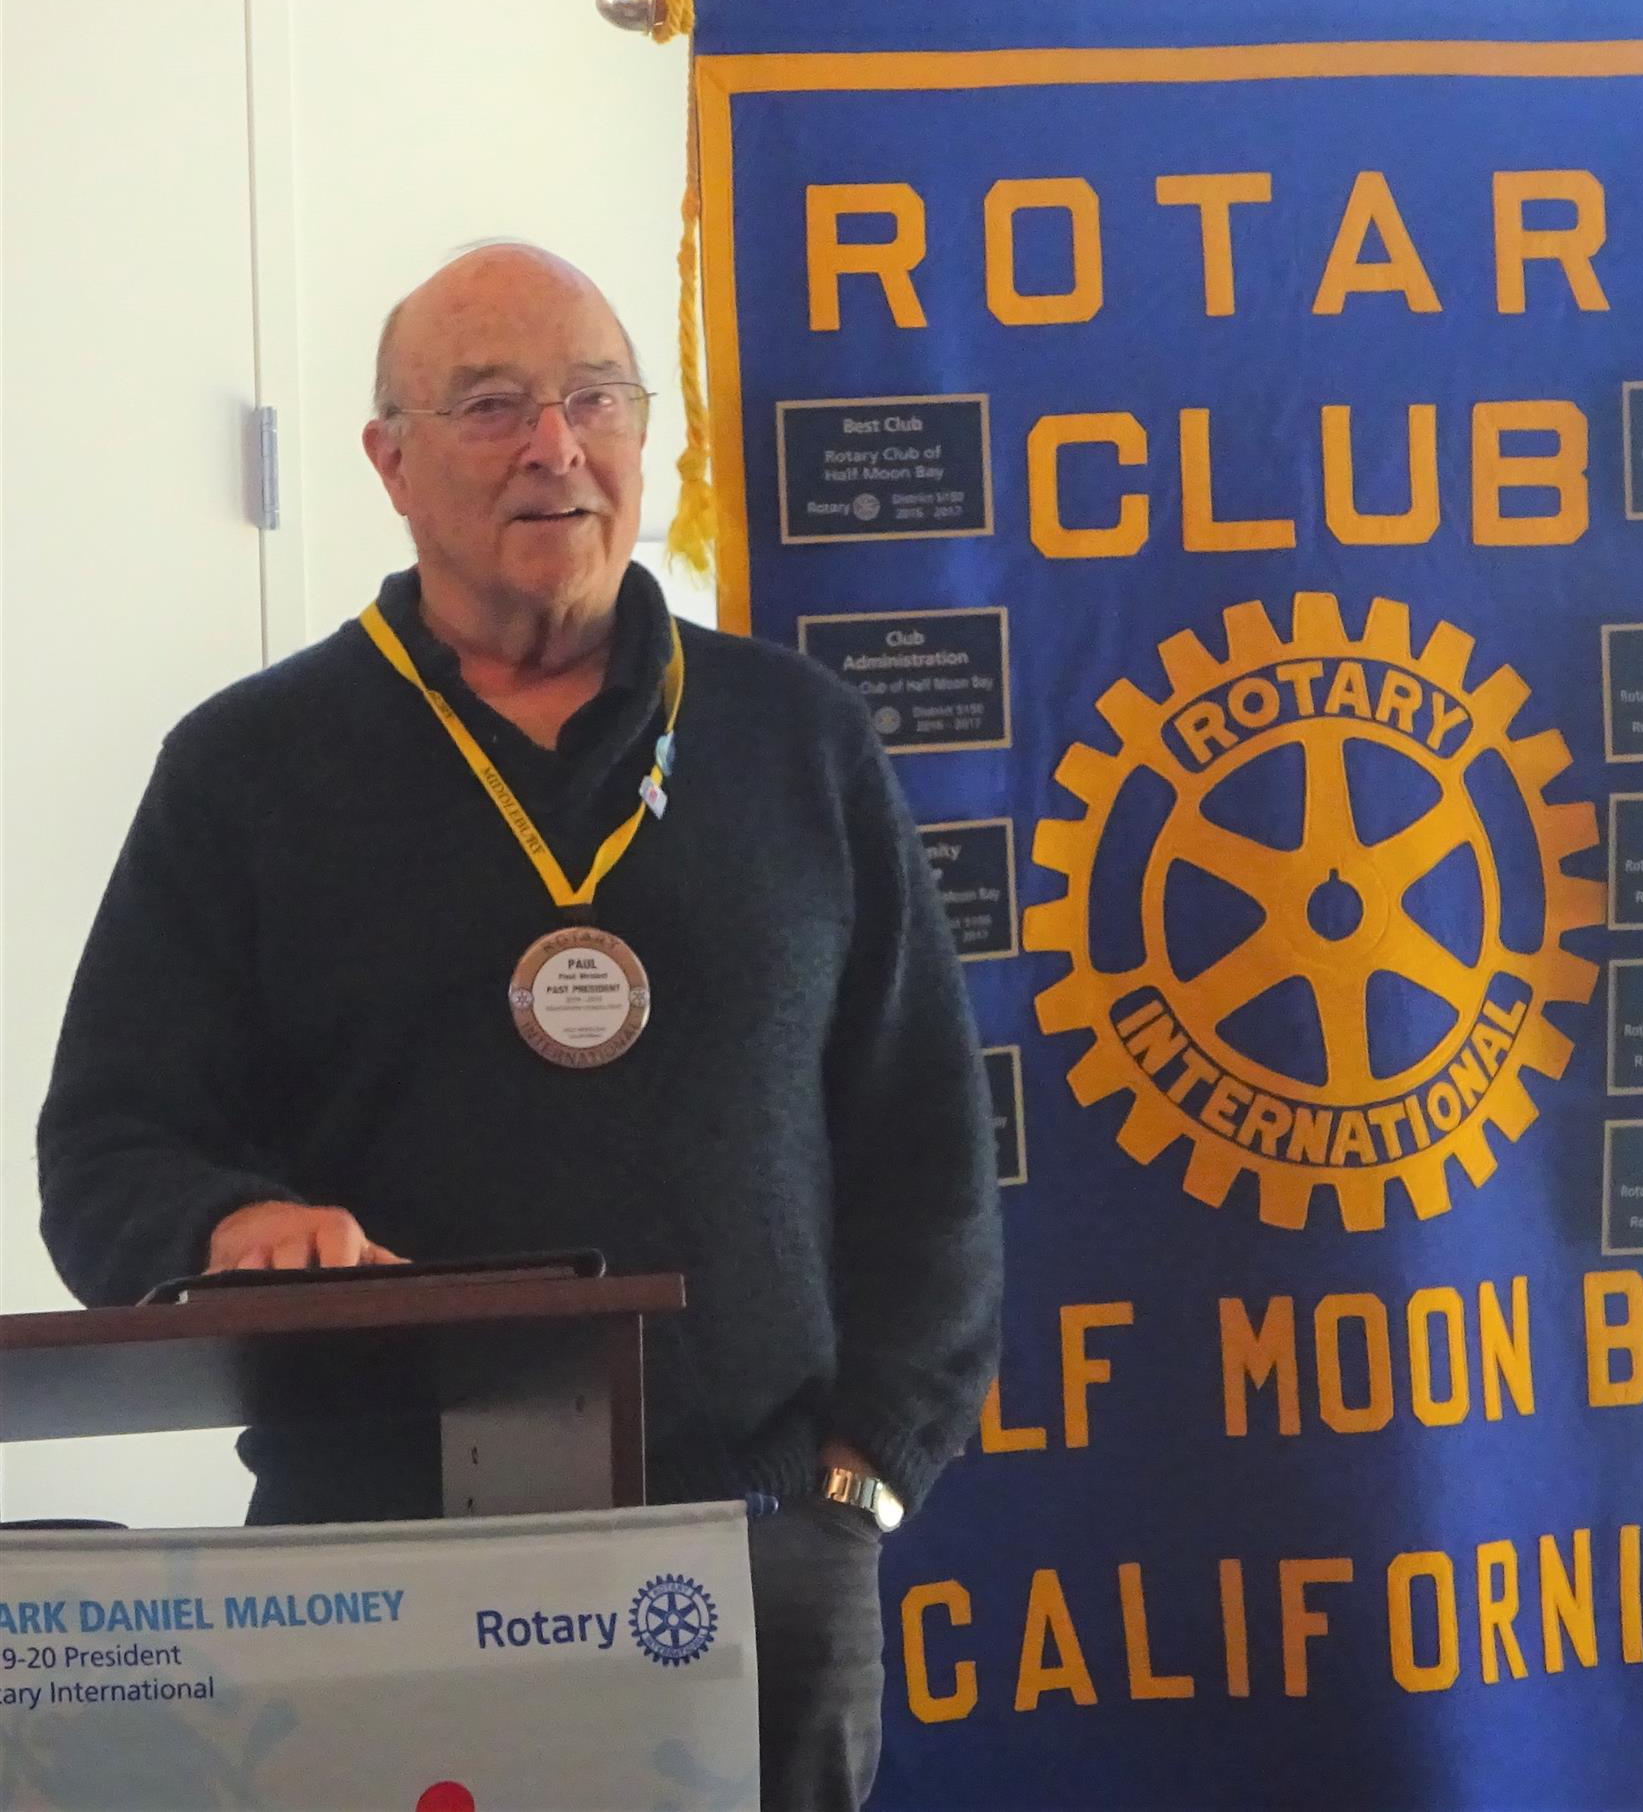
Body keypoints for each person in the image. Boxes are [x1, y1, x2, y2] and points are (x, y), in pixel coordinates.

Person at [37, 242, 1003, 1809]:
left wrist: (859, 1480)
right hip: (369, 1570)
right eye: (490, 406)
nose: (555, 446)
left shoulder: (796, 741)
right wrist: (225, 1224)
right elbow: (104, 1148)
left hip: (754, 1550)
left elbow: (928, 1150)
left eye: (595, 398)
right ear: (388, 461)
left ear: (643, 433)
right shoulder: (245, 771)